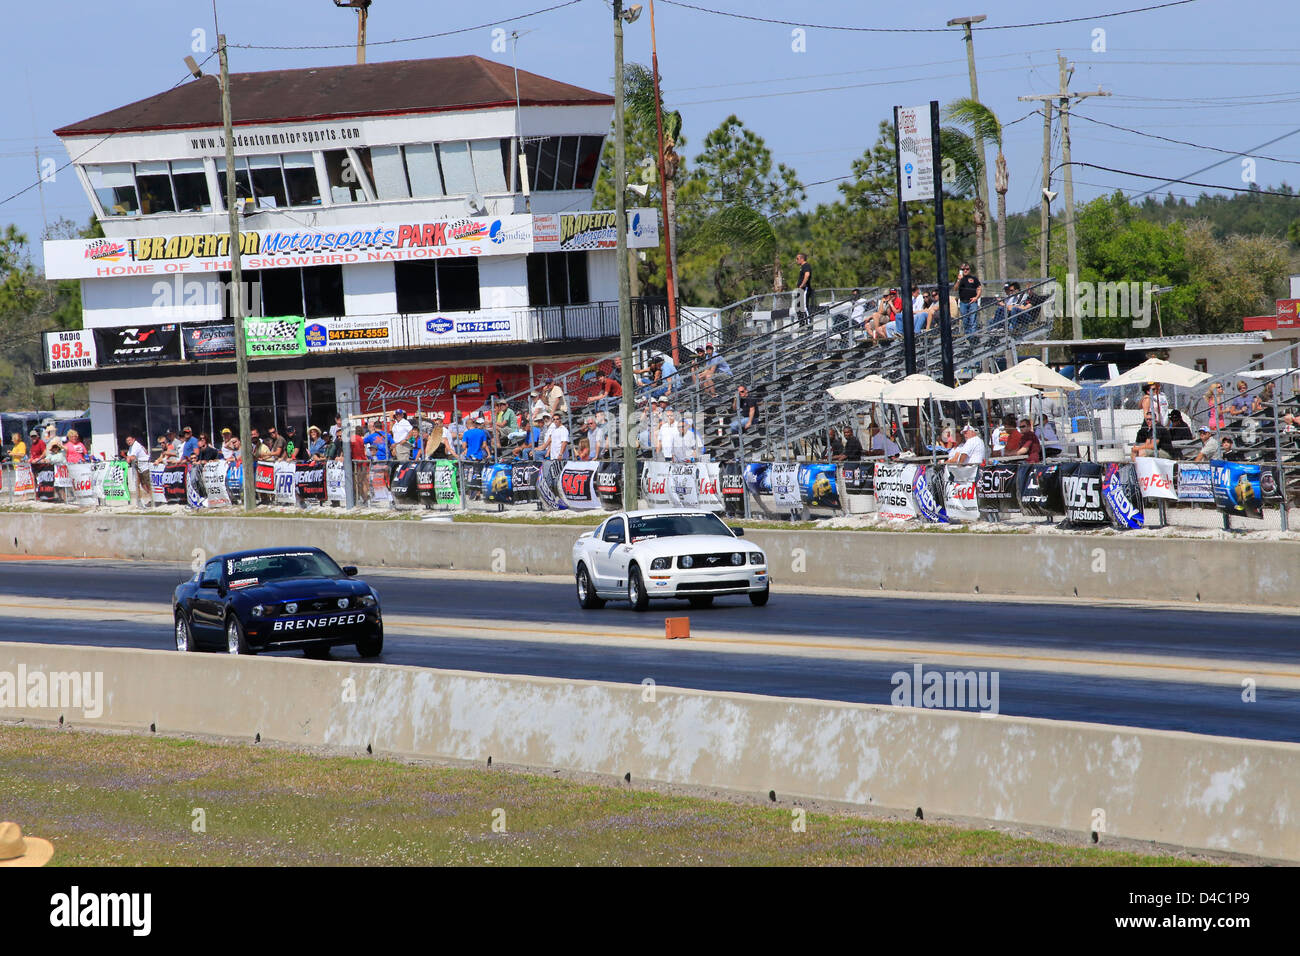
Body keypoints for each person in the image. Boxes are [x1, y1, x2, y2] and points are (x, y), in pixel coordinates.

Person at [956, 262, 982, 337]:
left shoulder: (974, 279)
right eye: (963, 269)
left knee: (973, 319)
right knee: (965, 320)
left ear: (969, 270)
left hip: (972, 302)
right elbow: (955, 289)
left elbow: (979, 289)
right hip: (963, 302)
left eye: (967, 269)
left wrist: (976, 297)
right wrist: (958, 280)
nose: (965, 270)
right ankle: (968, 336)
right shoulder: (960, 279)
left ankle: (973, 336)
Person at [794, 252, 814, 327]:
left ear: (802, 259)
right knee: (798, 306)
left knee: (804, 306)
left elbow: (807, 275)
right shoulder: (802, 267)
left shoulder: (806, 265)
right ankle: (802, 324)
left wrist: (802, 285)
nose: (796, 260)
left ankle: (809, 324)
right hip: (800, 289)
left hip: (804, 288)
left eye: (797, 259)